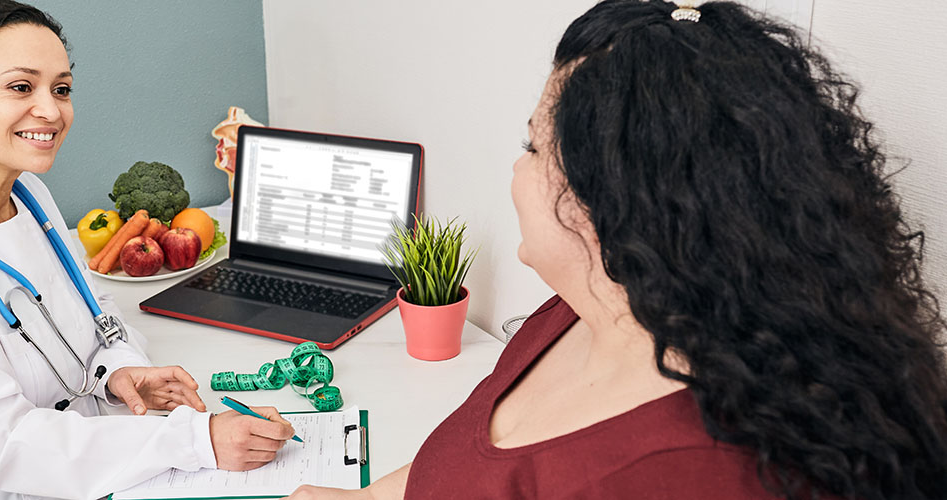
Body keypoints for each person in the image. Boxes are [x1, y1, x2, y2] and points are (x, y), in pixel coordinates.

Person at [287, 1, 947, 499]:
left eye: (532, 150)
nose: (516, 173)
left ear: (607, 203)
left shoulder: (691, 474)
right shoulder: (578, 312)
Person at [0, 1, 294, 498]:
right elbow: (8, 443)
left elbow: (91, 311)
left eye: (60, 89)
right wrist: (197, 439)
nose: (51, 110)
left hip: (83, 465)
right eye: (21, 87)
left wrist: (118, 373)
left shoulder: (26, 194)